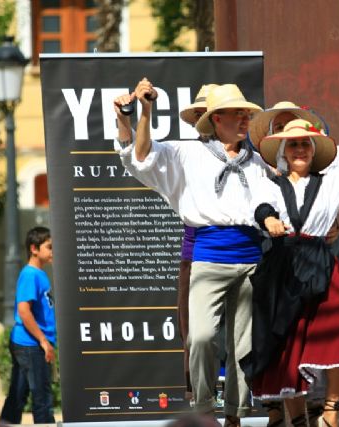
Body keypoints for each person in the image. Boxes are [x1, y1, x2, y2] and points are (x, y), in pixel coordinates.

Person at [114, 81, 270, 427]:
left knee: (243, 346)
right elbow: (140, 155)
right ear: (216, 119)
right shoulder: (188, 153)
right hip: (208, 256)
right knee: (199, 337)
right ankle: (203, 407)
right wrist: (145, 111)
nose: (245, 120)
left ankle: (235, 414)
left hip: (250, 258)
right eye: (237, 114)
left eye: (247, 114)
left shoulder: (258, 161)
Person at [244, 81, 339, 427]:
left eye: (304, 144)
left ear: (313, 149)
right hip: (283, 265)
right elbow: (260, 205)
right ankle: (296, 419)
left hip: (322, 264)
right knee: (286, 345)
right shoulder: (269, 182)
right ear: (282, 150)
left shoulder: (330, 182)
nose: (299, 149)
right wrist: (268, 219)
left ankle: (330, 411)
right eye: (293, 144)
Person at [177, 83, 219, 404]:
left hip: (237, 249)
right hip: (194, 247)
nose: (203, 120)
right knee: (191, 324)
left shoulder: (241, 153)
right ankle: (197, 390)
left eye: (210, 113)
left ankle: (234, 397)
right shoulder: (190, 153)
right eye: (200, 115)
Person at [0, 226, 56, 424]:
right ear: (34, 249)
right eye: (49, 247)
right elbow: (24, 311)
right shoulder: (31, 275)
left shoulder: (39, 274)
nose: (53, 252)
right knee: (42, 399)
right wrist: (43, 340)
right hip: (31, 345)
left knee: (17, 396)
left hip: (28, 344)